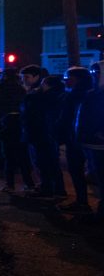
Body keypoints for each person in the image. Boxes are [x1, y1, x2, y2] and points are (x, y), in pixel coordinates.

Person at [57, 67, 93, 214]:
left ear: (77, 79)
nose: (66, 81)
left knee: (76, 171)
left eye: (68, 78)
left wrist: (59, 133)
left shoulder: (75, 95)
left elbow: (66, 119)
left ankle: (82, 203)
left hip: (76, 139)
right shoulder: (91, 93)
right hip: (87, 139)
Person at [0, 68, 34, 192]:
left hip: (6, 123)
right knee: (23, 156)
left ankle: (10, 185)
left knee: (8, 155)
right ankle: (29, 184)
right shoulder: (21, 89)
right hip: (20, 124)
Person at [75, 61, 104, 223]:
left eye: (98, 73)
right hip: (92, 144)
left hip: (100, 145)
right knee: (98, 178)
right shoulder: (94, 92)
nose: (95, 76)